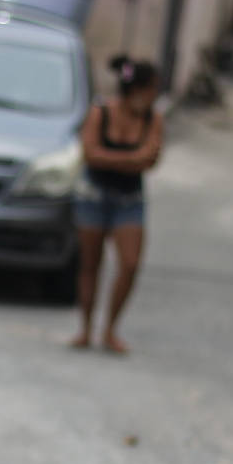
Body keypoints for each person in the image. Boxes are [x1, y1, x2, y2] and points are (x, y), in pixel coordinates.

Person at [71, 56, 165, 354]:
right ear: (135, 89)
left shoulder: (153, 119)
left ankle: (110, 328)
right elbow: (91, 154)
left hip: (129, 200)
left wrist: (113, 160)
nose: (152, 97)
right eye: (150, 90)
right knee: (90, 264)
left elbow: (150, 159)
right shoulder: (102, 112)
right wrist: (130, 160)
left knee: (130, 263)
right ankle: (86, 328)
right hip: (94, 196)